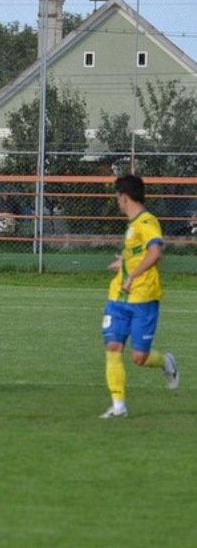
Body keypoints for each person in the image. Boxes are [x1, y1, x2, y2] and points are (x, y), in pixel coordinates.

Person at [100, 174, 178, 418]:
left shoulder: (147, 222)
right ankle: (119, 406)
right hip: (118, 298)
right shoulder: (132, 226)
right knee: (113, 347)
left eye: (117, 198)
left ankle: (165, 361)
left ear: (124, 197)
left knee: (139, 358)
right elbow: (139, 253)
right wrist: (123, 263)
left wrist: (132, 275)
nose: (117, 203)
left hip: (143, 298)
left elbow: (155, 253)